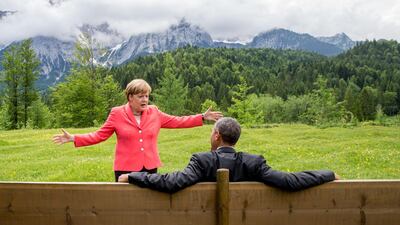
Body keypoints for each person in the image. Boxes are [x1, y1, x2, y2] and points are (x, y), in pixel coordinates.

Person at [53, 79, 223, 182]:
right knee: (125, 206)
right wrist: (74, 138)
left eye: (147, 96)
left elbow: (177, 121)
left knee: (148, 206)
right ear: (130, 97)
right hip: (125, 168)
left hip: (150, 167)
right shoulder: (116, 113)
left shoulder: (154, 112)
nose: (145, 100)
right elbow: (99, 135)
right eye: (141, 96)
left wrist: (201, 117)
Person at [118, 117, 339, 193]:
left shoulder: (202, 161)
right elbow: (290, 181)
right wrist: (328, 174)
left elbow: (172, 182)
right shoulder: (253, 163)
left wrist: (133, 176)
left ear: (216, 136)